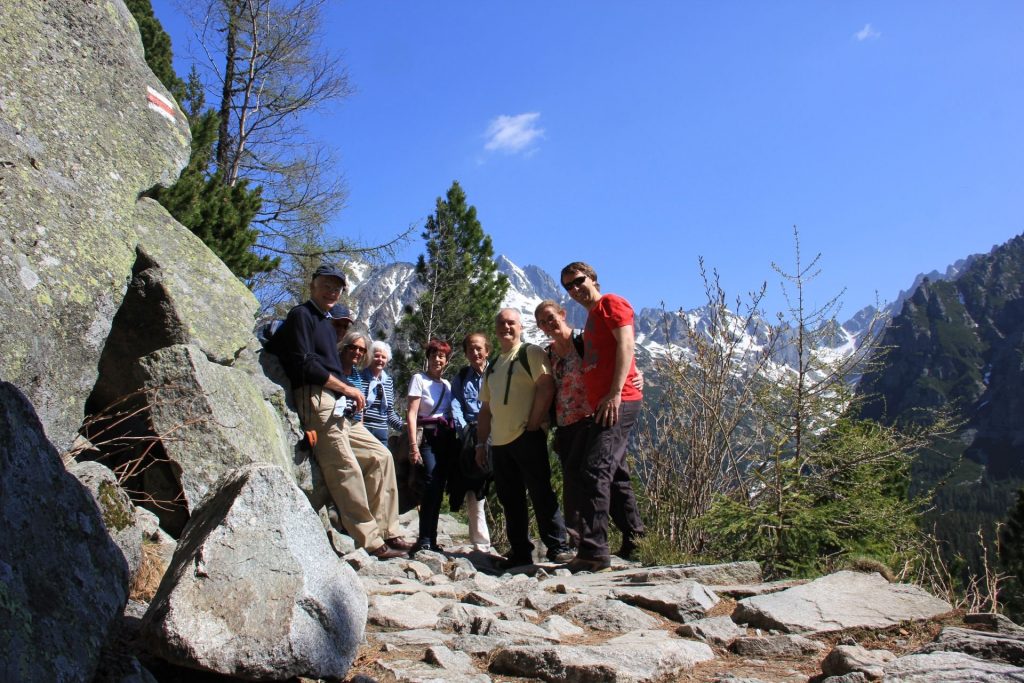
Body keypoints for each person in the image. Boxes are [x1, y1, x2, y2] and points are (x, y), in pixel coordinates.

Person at [266, 264, 408, 560]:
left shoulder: (327, 324)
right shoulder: (302, 316)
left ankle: (389, 529)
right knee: (345, 466)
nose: (332, 291)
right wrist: (347, 389)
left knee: (381, 457)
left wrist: (347, 392)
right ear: (313, 285)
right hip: (317, 398)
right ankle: (370, 540)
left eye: (337, 287)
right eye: (326, 285)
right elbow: (304, 364)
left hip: (338, 403)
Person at [535, 299, 645, 558]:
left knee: (612, 477)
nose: (549, 324)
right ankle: (581, 541)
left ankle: (633, 540)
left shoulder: (585, 341)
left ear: (562, 314)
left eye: (551, 317)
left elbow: (619, 354)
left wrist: (637, 374)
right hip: (566, 424)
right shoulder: (548, 355)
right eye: (542, 321)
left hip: (596, 417)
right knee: (576, 482)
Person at [558, 262, 645, 573]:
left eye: (579, 281)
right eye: (568, 286)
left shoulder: (611, 303)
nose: (575, 289)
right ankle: (637, 540)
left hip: (617, 402)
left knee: (594, 470)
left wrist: (617, 391)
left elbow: (626, 343)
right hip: (605, 404)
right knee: (615, 472)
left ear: (592, 278)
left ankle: (594, 551)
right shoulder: (592, 317)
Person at [476, 308, 573, 569]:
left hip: (526, 436)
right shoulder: (493, 365)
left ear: (520, 327)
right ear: (496, 329)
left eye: (511, 323)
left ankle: (558, 548)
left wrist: (533, 422)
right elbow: (485, 410)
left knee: (541, 492)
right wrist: (480, 443)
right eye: (501, 324)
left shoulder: (530, 352)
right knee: (511, 499)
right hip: (499, 443)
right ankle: (520, 551)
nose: (506, 328)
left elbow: (546, 385)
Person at [406, 339, 458, 555]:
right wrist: (412, 446)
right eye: (434, 355)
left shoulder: (447, 385)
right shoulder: (419, 379)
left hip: (445, 439)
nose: (438, 359)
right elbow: (411, 413)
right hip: (427, 437)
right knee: (430, 483)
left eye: (442, 356)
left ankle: (432, 539)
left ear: (446, 361)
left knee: (438, 487)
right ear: (427, 358)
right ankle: (425, 538)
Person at [449, 332, 493, 553]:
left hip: (499, 432)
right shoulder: (462, 376)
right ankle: (481, 542)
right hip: (471, 434)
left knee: (504, 484)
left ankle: (515, 541)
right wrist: (464, 429)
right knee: (475, 488)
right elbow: (456, 404)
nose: (475, 353)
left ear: (487, 350)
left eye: (479, 348)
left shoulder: (497, 371)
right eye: (470, 349)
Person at [360, 340, 404, 445]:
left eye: (383, 357)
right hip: (362, 429)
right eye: (377, 356)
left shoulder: (388, 381)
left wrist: (404, 427)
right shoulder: (360, 377)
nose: (380, 360)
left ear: (387, 360)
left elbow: (389, 412)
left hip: (381, 432)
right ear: (370, 357)